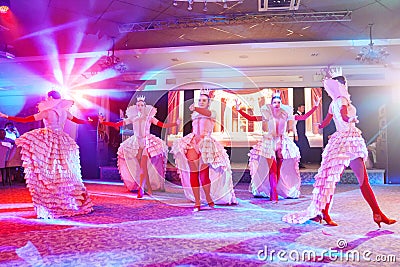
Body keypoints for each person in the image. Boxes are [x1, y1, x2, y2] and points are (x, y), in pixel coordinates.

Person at [282, 72, 396, 227]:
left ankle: (331, 212)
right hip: (348, 140)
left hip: (342, 142)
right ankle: (374, 213)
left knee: (332, 180)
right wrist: (349, 119)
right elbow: (343, 116)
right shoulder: (342, 100)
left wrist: (320, 126)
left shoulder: (333, 103)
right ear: (343, 85)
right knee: (357, 181)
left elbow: (326, 122)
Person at [0, 90, 93, 219]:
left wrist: (7, 117)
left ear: (49, 97)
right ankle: (67, 200)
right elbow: (78, 120)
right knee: (64, 171)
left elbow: (25, 120)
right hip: (62, 140)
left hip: (49, 139)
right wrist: (89, 121)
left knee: (49, 170)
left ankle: (55, 201)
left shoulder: (47, 112)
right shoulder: (64, 112)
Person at [235, 91, 320, 203]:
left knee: (278, 170)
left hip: (281, 142)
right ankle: (273, 193)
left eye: (278, 102)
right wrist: (239, 110)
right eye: (274, 102)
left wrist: (315, 106)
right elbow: (251, 118)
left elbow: (303, 117)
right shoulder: (267, 114)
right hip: (269, 142)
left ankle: (275, 189)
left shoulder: (285, 114)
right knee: (272, 169)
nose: (277, 104)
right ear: (271, 104)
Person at [100, 95, 179, 198]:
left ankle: (141, 189)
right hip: (136, 143)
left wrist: (175, 124)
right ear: (136, 106)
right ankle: (148, 187)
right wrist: (103, 122)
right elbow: (117, 125)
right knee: (142, 167)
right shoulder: (133, 118)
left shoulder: (149, 118)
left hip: (147, 142)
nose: (140, 107)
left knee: (143, 166)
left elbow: (162, 125)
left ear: (145, 106)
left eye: (142, 105)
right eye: (138, 105)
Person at [171, 89, 237, 211]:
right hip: (193, 142)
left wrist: (196, 108)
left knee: (204, 175)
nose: (201, 102)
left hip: (205, 144)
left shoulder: (212, 113)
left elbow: (205, 113)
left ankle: (207, 196)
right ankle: (197, 202)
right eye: (200, 100)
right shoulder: (195, 114)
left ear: (208, 102)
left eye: (204, 100)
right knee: (193, 173)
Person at [293, 104, 310, 168]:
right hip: (299, 135)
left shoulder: (302, 116)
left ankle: (301, 162)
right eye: (302, 107)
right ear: (299, 107)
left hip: (302, 135)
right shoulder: (296, 115)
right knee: (299, 148)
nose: (303, 109)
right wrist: (296, 135)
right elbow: (294, 125)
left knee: (304, 147)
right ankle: (298, 163)